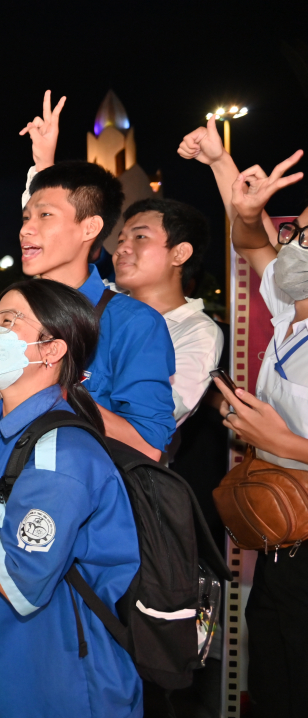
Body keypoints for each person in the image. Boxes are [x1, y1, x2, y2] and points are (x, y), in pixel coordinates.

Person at [0, 279, 142, 718]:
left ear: (51, 350)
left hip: (68, 683)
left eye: (8, 320)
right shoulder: (6, 437)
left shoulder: (60, 454)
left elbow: (22, 583)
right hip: (19, 663)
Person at [16, 94, 176, 459]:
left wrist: (55, 391)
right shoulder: (13, 313)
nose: (26, 230)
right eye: (26, 218)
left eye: (44, 217)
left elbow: (150, 445)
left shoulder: (134, 324)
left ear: (90, 228)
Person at [219, 150, 308, 717]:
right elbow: (251, 241)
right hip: (283, 544)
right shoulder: (289, 310)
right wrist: (249, 213)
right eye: (301, 230)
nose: (298, 245)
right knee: (275, 681)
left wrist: (282, 442)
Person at [112, 198, 223, 428]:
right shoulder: (101, 298)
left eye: (140, 237)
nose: (121, 248)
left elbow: (160, 414)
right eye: (121, 239)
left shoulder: (197, 331)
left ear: (180, 253)